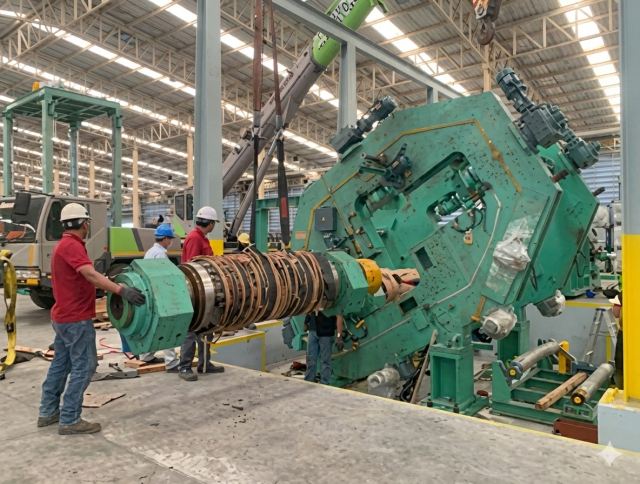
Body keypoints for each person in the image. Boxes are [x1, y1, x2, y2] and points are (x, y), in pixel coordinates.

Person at [38, 203, 146, 435]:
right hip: (75, 319)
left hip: (63, 316)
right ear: (84, 223)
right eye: (87, 223)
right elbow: (90, 275)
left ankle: (48, 412)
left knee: (61, 365)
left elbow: (85, 277)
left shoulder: (63, 245)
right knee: (85, 366)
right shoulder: (72, 245)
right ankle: (69, 419)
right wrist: (121, 290)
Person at [178, 206, 225, 381]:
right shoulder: (194, 238)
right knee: (192, 329)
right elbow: (191, 267)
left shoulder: (202, 238)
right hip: (195, 292)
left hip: (206, 292)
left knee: (207, 327)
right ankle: (185, 367)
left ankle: (205, 364)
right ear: (211, 223)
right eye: (214, 223)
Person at [136, 224, 179, 372]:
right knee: (168, 326)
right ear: (165, 238)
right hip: (159, 295)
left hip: (149, 294)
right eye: (170, 239)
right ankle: (172, 362)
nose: (170, 242)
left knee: (154, 326)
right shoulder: (160, 254)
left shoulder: (150, 252)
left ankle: (146, 355)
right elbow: (163, 277)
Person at [303, 310, 344, 385]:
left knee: (325, 360)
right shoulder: (316, 302)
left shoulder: (332, 303)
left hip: (326, 334)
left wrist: (339, 336)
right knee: (310, 358)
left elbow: (339, 316)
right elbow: (310, 310)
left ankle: (325, 382)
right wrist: (306, 322)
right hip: (313, 331)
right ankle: (309, 380)